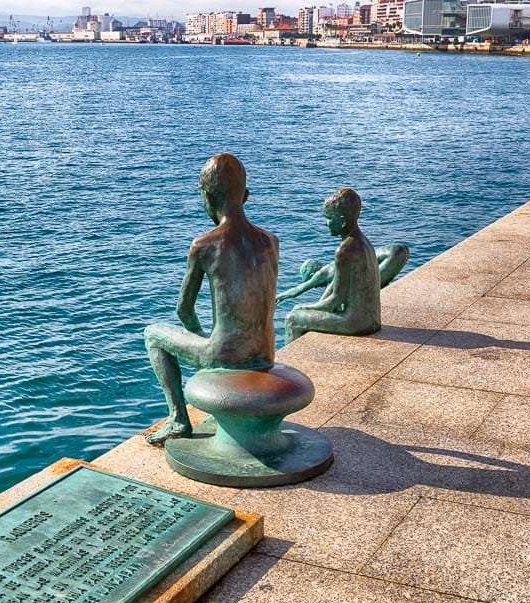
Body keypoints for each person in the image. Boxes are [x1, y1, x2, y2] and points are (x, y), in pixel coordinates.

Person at [143, 153, 279, 446]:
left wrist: (201, 338)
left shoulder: (205, 244)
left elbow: (184, 310)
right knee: (211, 340)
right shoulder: (271, 241)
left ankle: (178, 419)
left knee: (153, 335)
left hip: (226, 355)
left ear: (207, 196)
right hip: (266, 351)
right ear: (246, 195)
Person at [284, 188, 380, 344]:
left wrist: (304, 307)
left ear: (342, 221)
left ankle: (288, 366)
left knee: (292, 319)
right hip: (372, 319)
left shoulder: (344, 250)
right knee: (301, 312)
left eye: (328, 218)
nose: (325, 223)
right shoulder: (363, 241)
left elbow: (335, 300)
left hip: (357, 323)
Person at [275, 243, 409, 303]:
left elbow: (299, 289)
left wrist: (278, 297)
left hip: (394, 254)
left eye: (310, 281)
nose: (315, 286)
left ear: (311, 275)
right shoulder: (335, 268)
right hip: (399, 251)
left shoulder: (322, 273)